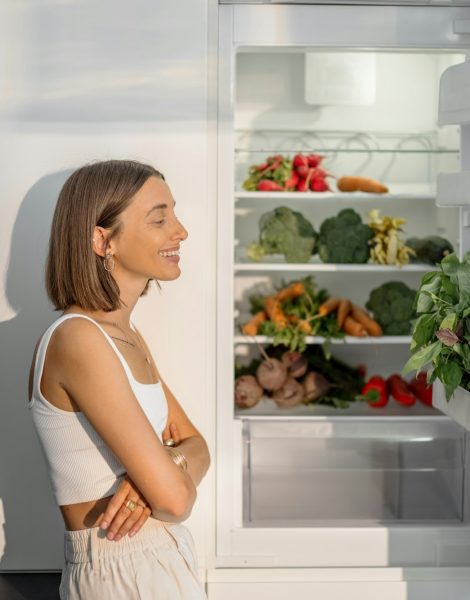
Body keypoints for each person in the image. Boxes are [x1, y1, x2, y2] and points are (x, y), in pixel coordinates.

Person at [28, 159, 210, 599]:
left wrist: (162, 473)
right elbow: (175, 500)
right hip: (120, 569)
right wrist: (161, 480)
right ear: (101, 239)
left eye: (175, 214)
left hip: (161, 560)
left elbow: (199, 446)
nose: (180, 230)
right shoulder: (78, 340)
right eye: (159, 218)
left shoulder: (126, 337)